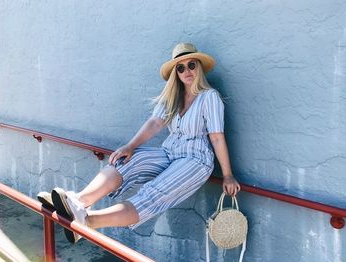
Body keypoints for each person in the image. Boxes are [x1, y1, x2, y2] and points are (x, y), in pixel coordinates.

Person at [37, 43, 241, 243]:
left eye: (191, 65)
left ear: (199, 67)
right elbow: (155, 123)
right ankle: (78, 202)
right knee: (126, 160)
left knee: (153, 192)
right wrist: (131, 146)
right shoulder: (174, 97)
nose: (186, 71)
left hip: (195, 160)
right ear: (176, 74)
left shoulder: (209, 97)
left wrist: (228, 175)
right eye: (180, 68)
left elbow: (216, 137)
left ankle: (88, 222)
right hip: (170, 152)